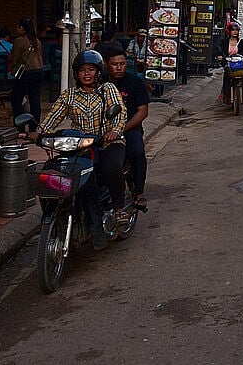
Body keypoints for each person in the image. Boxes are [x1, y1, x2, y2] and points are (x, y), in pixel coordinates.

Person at [31, 49, 128, 250]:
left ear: (98, 72)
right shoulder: (70, 95)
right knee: (64, 172)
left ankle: (117, 209)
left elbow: (119, 111)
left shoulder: (107, 89)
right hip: (79, 145)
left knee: (111, 168)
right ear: (76, 73)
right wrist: (39, 132)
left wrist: (114, 131)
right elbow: (54, 115)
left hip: (107, 143)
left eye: (91, 70)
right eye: (82, 70)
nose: (86, 74)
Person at [103, 46, 148, 211]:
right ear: (107, 64)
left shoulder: (135, 82)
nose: (119, 67)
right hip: (102, 131)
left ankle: (138, 192)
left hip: (129, 129)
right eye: (115, 64)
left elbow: (143, 111)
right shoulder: (101, 83)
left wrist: (121, 129)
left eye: (122, 64)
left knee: (136, 152)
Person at [9, 18, 44, 132]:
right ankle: (33, 128)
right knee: (35, 101)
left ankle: (20, 126)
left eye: (19, 27)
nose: (17, 29)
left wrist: (13, 71)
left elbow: (15, 58)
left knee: (16, 99)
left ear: (23, 29)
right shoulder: (36, 41)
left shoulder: (20, 41)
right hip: (38, 72)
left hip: (26, 73)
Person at [217, 23, 243, 104]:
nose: (235, 32)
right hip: (228, 63)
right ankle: (226, 96)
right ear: (229, 31)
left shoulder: (241, 42)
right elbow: (219, 52)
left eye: (236, 30)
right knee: (227, 75)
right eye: (233, 30)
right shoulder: (224, 42)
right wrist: (220, 56)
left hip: (239, 63)